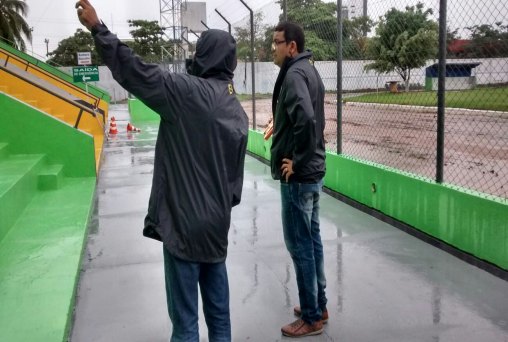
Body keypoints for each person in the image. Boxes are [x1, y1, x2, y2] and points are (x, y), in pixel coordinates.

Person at [76, 1, 248, 341]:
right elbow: (234, 186)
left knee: (185, 323)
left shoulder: (185, 94)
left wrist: (99, 29)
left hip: (183, 227)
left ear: (205, 58)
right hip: (216, 228)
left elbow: (135, 70)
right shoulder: (237, 111)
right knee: (220, 318)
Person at [270, 22, 328, 337]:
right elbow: (310, 118)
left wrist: (299, 161)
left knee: (300, 245)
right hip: (314, 174)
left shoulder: (293, 75)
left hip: (300, 178)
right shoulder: (309, 70)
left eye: (277, 43)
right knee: (313, 240)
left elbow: (306, 118)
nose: (273, 48)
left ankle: (311, 317)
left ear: (291, 46)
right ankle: (319, 304)